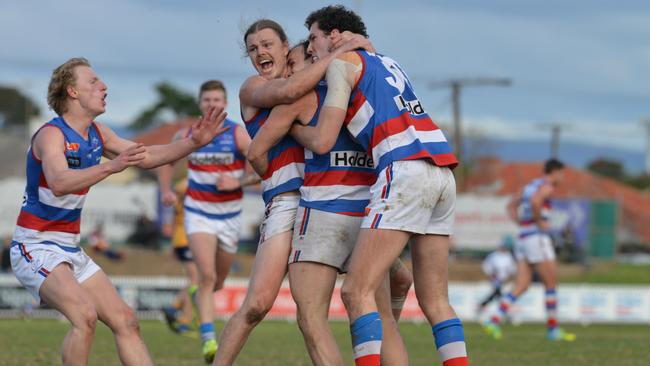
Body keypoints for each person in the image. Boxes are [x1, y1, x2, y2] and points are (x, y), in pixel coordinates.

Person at [9, 57, 227, 366]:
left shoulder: (99, 133)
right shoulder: (51, 135)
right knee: (85, 316)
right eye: (94, 82)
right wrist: (112, 166)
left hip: (69, 249)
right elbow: (59, 182)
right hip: (34, 247)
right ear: (72, 92)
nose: (104, 86)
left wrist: (195, 141)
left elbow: (148, 156)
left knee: (126, 320)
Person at [289, 6, 468, 365]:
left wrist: (289, 127)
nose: (310, 49)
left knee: (356, 292)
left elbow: (323, 139)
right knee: (436, 301)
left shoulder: (343, 64)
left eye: (314, 38)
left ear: (336, 36)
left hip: (404, 170)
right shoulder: (386, 60)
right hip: (442, 172)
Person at [213, 19, 369, 366]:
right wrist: (341, 52)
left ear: (286, 48)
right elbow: (285, 95)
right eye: (253, 49)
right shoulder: (253, 88)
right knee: (257, 305)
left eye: (267, 44)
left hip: (328, 199)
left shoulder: (314, 90)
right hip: (288, 204)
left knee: (382, 287)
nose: (260, 53)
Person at [247, 40, 410, 365]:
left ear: (312, 59)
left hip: (323, 210)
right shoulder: (355, 92)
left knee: (311, 318)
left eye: (293, 64)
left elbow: (256, 152)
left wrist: (274, 180)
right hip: (366, 212)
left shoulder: (301, 98)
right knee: (384, 320)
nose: (290, 73)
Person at [158, 80, 259, 362]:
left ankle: (193, 296)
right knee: (207, 277)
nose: (212, 104)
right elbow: (165, 161)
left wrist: (238, 180)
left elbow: (262, 168)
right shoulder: (188, 133)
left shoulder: (237, 134)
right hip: (198, 213)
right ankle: (208, 341)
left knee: (218, 282)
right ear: (200, 104)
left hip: (229, 217)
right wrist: (166, 190)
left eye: (217, 100)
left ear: (225, 103)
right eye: (207, 100)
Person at [485, 159, 576, 341]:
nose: (563, 177)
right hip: (537, 238)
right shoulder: (547, 186)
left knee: (521, 286)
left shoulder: (528, 186)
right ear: (555, 172)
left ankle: (493, 320)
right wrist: (538, 220)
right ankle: (553, 330)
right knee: (550, 284)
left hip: (523, 238)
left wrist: (521, 223)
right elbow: (536, 202)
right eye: (562, 173)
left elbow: (511, 206)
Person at [161, 178, 200, 338]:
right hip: (187, 239)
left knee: (193, 279)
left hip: (180, 239)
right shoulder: (190, 186)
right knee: (195, 280)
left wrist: (172, 243)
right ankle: (181, 315)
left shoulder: (179, 192)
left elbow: (173, 221)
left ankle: (178, 309)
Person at [477, 237, 516, 317]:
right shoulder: (494, 256)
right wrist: (492, 276)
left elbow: (512, 269)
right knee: (498, 294)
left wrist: (507, 278)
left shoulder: (509, 256)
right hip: (495, 280)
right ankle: (505, 312)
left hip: (505, 281)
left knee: (497, 295)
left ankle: (482, 305)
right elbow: (487, 267)